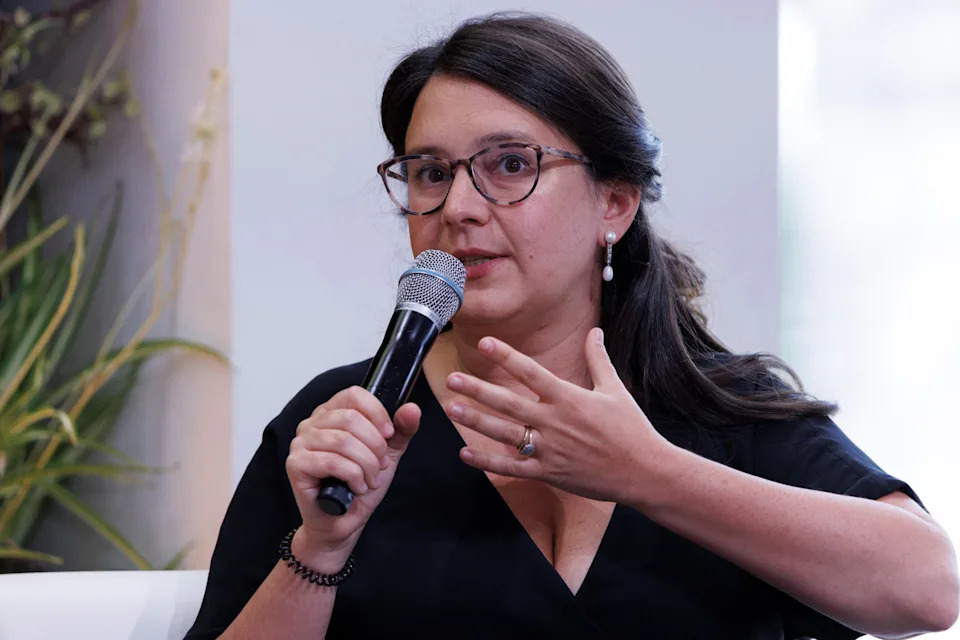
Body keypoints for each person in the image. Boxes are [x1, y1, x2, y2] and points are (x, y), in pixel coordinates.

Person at [185, 12, 958, 640]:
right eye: (431, 173)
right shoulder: (347, 425)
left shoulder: (716, 407)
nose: (459, 207)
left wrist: (648, 473)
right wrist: (320, 549)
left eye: (510, 164)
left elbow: (928, 590)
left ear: (614, 203)